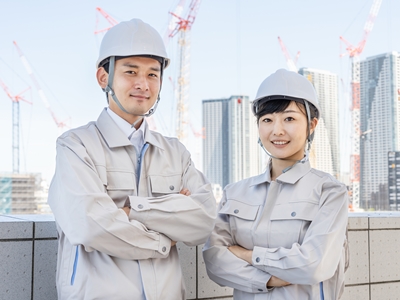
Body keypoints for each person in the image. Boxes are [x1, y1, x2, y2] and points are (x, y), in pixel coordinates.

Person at [48, 18, 216, 300]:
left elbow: (204, 221)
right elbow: (90, 226)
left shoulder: (176, 152)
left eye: (153, 74)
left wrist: (130, 211)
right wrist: (167, 234)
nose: (143, 84)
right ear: (104, 77)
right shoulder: (76, 146)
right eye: (130, 71)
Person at [203, 69, 349, 299]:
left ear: (312, 125)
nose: (277, 130)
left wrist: (247, 255)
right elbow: (214, 261)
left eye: (289, 118)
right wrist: (269, 280)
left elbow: (314, 264)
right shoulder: (235, 193)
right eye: (267, 120)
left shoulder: (329, 192)